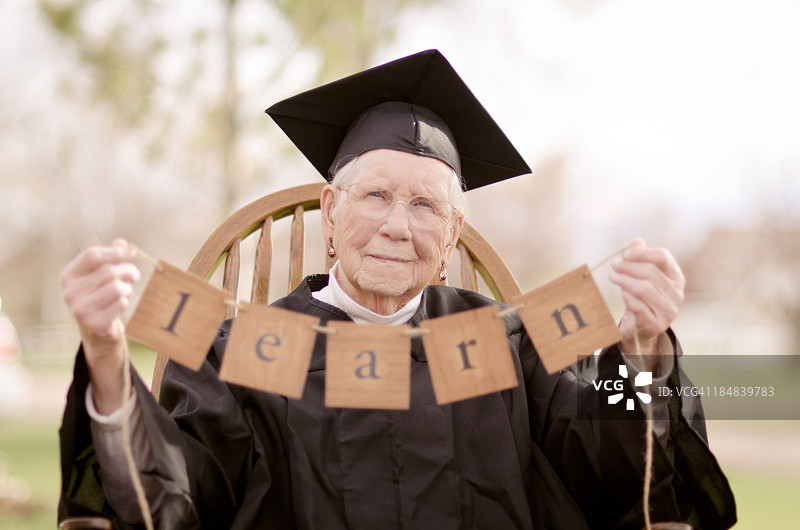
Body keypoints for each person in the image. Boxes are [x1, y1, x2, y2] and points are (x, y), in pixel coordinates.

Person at [57, 50, 736, 529]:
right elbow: (177, 496)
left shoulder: (512, 345)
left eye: (425, 207)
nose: (396, 226)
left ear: (452, 234)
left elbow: (616, 475)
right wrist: (108, 361)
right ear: (331, 211)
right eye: (375, 195)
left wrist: (644, 351)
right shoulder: (243, 353)